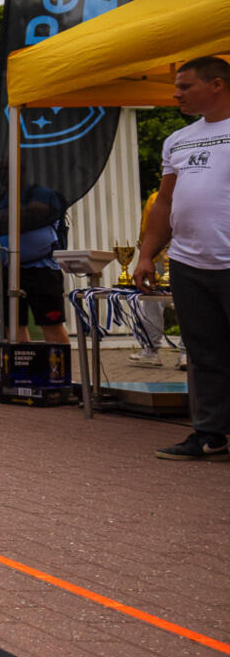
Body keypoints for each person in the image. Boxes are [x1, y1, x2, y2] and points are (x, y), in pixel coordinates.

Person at [136, 56, 230, 460]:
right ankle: (209, 434)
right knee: (203, 352)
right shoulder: (178, 139)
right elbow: (164, 203)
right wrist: (146, 255)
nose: (176, 94)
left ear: (217, 85)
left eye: (185, 86)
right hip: (189, 262)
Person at [0, 179, 69, 347]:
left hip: (42, 269)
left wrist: (0, 219)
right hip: (6, 270)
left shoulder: (44, 194)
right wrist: (21, 217)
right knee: (13, 328)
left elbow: (40, 212)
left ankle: (59, 364)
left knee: (51, 325)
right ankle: (23, 364)